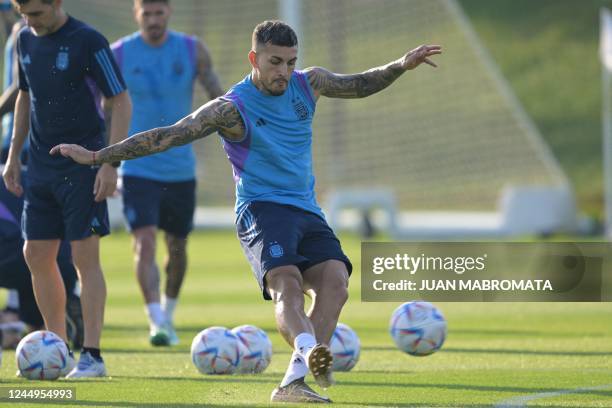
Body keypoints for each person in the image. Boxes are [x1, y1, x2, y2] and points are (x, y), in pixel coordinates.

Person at [52, 20, 441, 401]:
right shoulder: (231, 108)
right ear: (254, 58)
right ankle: (309, 349)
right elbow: (167, 136)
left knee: (336, 283)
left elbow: (359, 84)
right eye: (275, 62)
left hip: (306, 209)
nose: (284, 72)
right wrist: (99, 156)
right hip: (261, 210)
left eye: (290, 62)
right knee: (286, 284)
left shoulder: (310, 83)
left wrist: (400, 66)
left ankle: (293, 384)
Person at [3, 0, 132, 378]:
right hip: (39, 168)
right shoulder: (24, 39)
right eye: (24, 14)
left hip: (83, 167)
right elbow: (24, 96)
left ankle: (92, 355)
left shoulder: (88, 40)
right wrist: (14, 156)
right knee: (35, 253)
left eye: (37, 13)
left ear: (57, 3)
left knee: (83, 258)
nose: (30, 21)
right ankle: (57, 348)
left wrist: (110, 161)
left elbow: (120, 101)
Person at [110, 0, 223, 346]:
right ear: (136, 13)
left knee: (177, 246)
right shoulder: (119, 54)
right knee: (143, 243)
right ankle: (156, 321)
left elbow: (220, 99)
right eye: (147, 14)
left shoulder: (192, 50)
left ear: (169, 12)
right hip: (137, 165)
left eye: (159, 13)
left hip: (180, 168)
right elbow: (104, 108)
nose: (154, 20)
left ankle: (169, 313)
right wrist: (106, 160)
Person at [0, 9, 83, 351]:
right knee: (34, 241)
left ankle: (49, 317)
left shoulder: (76, 40)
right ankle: (29, 318)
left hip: (55, 152)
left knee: (46, 243)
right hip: (16, 149)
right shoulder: (19, 39)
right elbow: (20, 92)